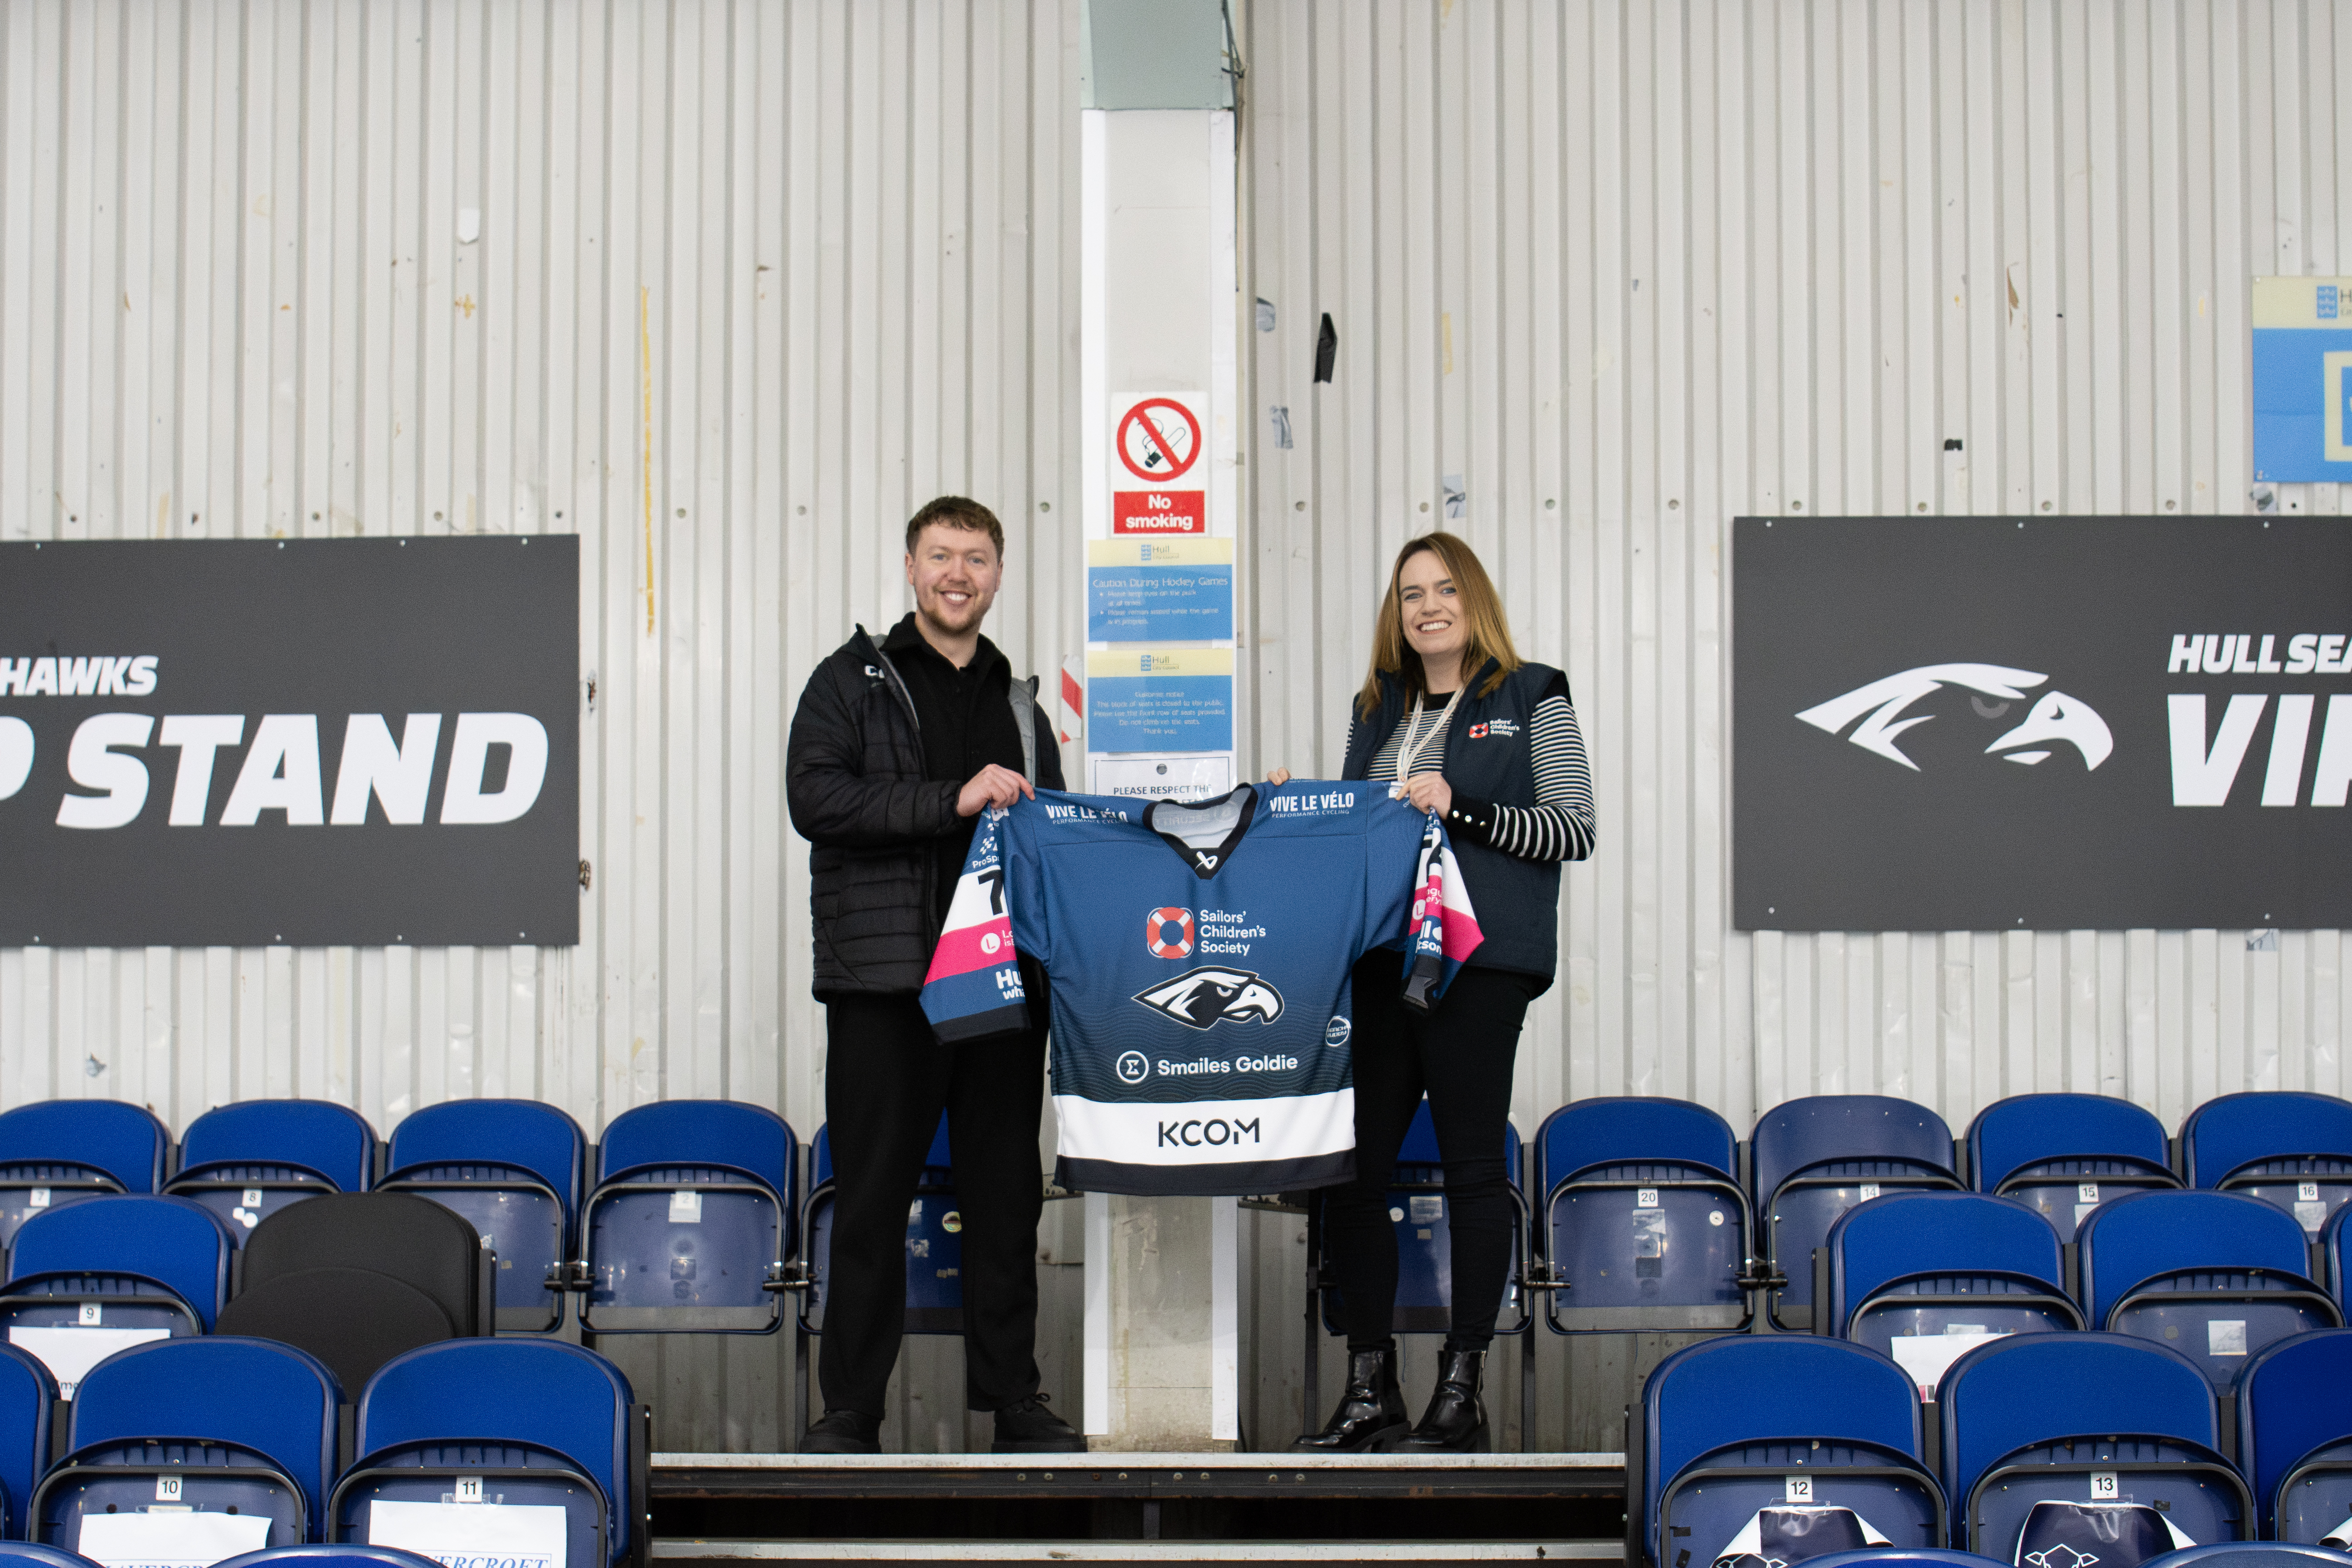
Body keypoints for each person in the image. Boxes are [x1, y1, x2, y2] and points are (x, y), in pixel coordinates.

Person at [1274, 530, 1596, 1454]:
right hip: (1379, 963)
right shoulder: (1376, 706)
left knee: (1467, 1168)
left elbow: (1570, 829)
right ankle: (1368, 1385)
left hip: (1477, 962)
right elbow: (1354, 841)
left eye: (1443, 588)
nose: (1426, 606)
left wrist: (1460, 804)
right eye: (1410, 592)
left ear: (1472, 599)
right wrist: (1302, 811)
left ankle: (1460, 1390)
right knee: (1352, 1171)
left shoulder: (1533, 692)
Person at [785, 495, 1084, 1456]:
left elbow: (1054, 838)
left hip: (1003, 992)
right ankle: (850, 1412)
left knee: (1005, 1199)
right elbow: (815, 795)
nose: (959, 573)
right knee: (873, 1197)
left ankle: (1015, 1401)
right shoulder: (850, 681)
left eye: (977, 558)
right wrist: (948, 799)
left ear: (997, 576)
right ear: (911, 568)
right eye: (941, 555)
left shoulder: (1019, 701)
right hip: (887, 988)